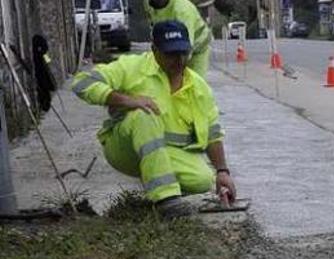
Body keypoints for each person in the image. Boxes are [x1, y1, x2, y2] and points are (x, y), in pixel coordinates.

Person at [71, 21, 236, 219]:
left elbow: (212, 132)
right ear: (154, 50)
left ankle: (158, 182)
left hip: (166, 152)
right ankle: (166, 201)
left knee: (202, 180)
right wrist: (127, 100)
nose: (179, 60)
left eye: (184, 53)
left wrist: (222, 171)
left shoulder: (198, 87)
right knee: (144, 113)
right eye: (171, 54)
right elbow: (82, 83)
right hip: (124, 150)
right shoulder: (132, 67)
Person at [143, 0, 211, 77]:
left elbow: (185, 51)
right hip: (168, 41)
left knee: (193, 82)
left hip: (196, 49)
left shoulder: (182, 10)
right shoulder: (149, 4)